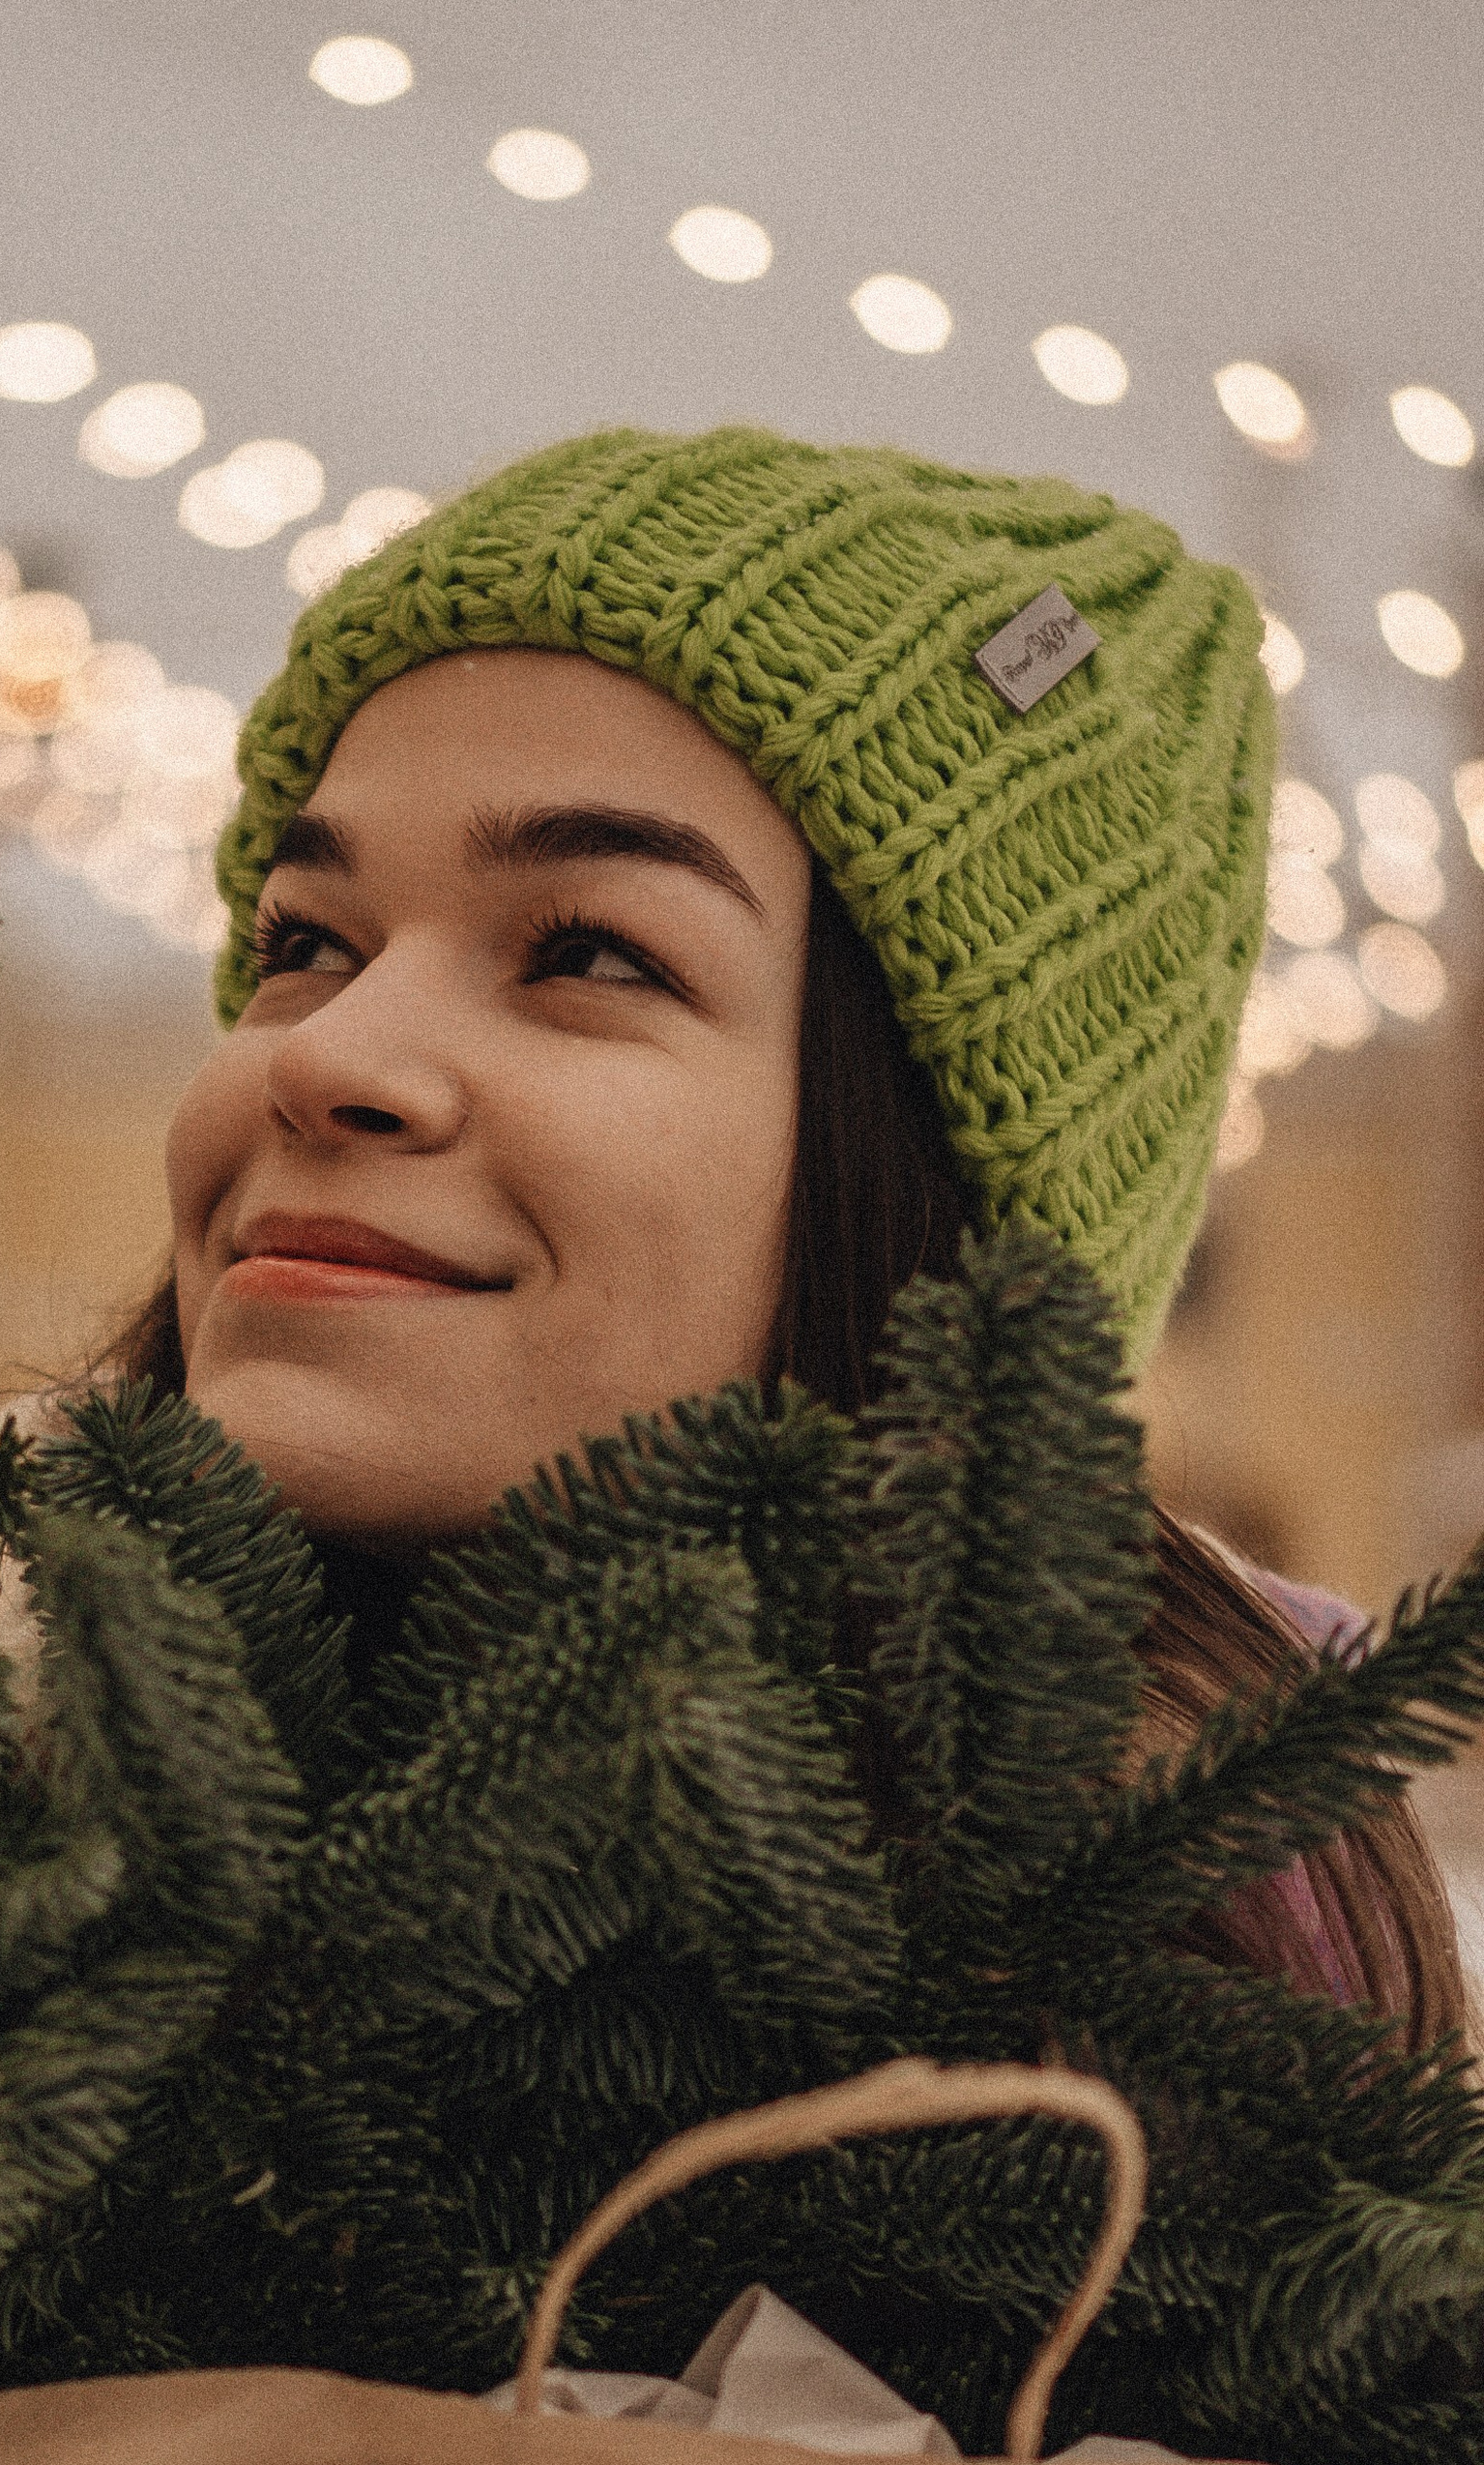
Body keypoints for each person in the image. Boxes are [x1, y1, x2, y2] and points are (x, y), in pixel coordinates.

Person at [98, 423, 1462, 2040]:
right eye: (308, 937)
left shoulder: (1129, 2085)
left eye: (593, 955)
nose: (324, 1056)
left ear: (940, 1226)